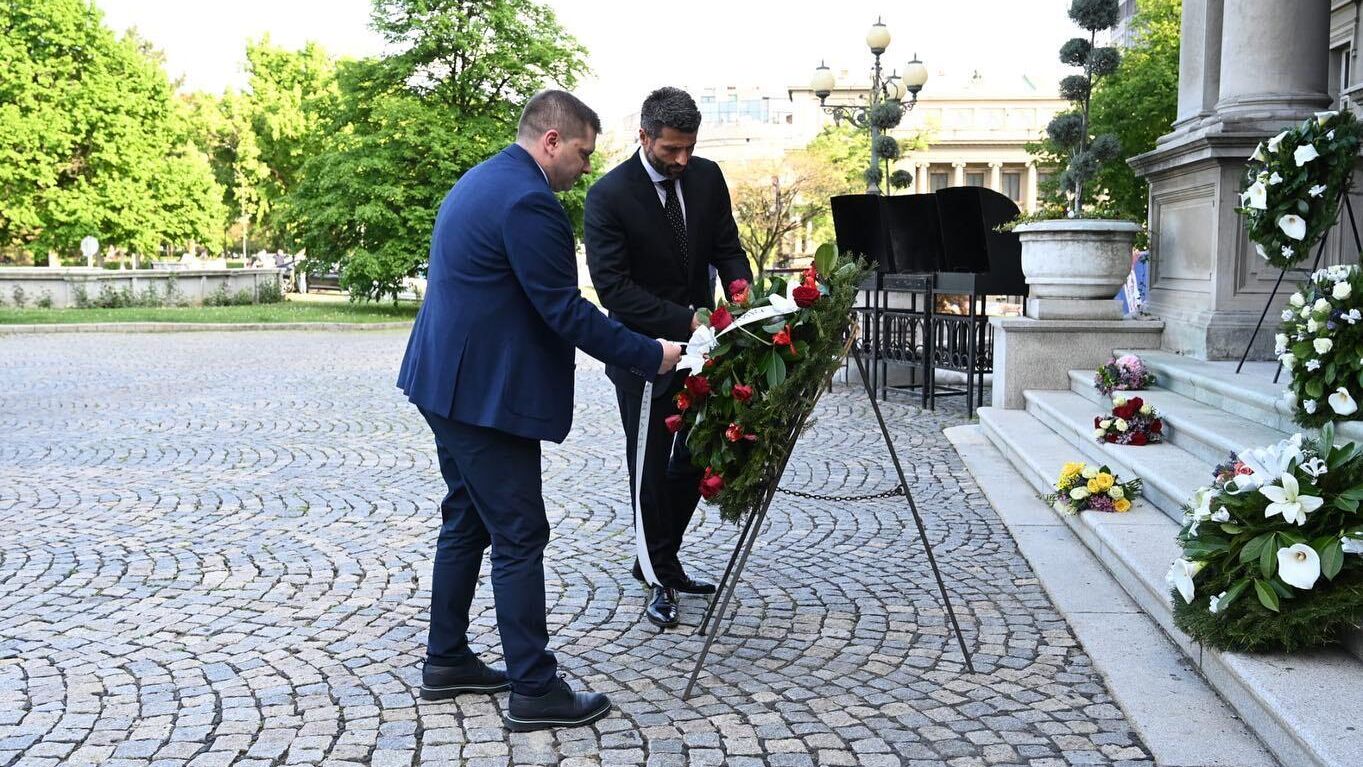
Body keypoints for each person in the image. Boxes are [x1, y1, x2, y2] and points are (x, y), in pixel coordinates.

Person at [396, 89, 682, 732]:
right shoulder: (529, 200)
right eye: (582, 153)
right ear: (551, 140)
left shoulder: (484, 177)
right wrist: (649, 354)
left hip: (447, 382)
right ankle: (534, 688)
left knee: (468, 516)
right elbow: (564, 310)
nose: (585, 168)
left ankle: (447, 660)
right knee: (520, 533)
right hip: (480, 397)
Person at [585, 87, 753, 629]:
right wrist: (689, 321)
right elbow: (614, 290)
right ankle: (659, 573)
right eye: (671, 151)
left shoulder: (707, 177)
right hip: (643, 355)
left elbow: (726, 244)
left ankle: (657, 553)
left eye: (689, 149)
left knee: (702, 455)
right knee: (650, 468)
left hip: (703, 353)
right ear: (644, 137)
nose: (682, 161)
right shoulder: (608, 196)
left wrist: (741, 287)